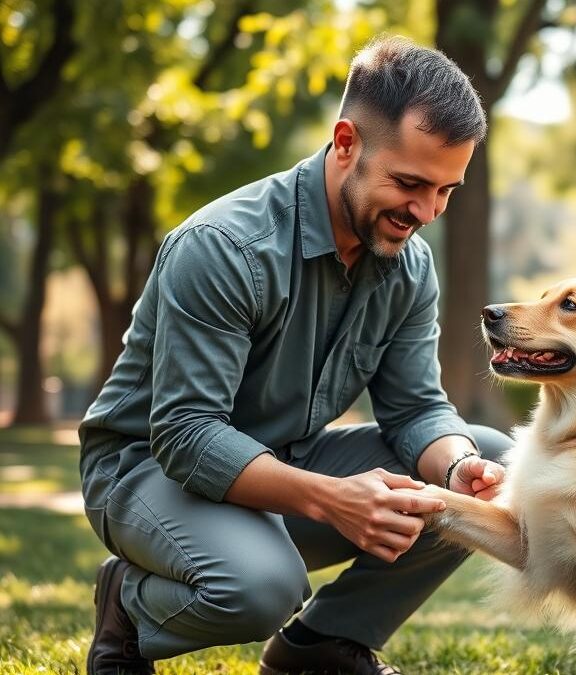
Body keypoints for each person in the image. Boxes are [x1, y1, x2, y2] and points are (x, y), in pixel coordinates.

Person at [80, 36, 511, 675]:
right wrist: (333, 499)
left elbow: (417, 407)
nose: (425, 212)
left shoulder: (407, 264)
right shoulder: (224, 246)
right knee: (262, 587)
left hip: (286, 460)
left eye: (446, 190)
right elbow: (186, 434)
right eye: (409, 183)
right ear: (345, 144)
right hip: (148, 469)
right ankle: (127, 603)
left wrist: (456, 472)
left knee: (492, 460)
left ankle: (322, 645)